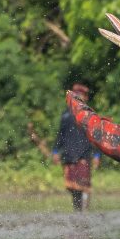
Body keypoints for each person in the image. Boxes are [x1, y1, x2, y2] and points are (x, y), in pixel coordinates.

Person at [50, 83, 97, 211]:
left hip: (83, 155)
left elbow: (95, 135)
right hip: (69, 155)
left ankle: (84, 211)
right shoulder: (66, 114)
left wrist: (97, 155)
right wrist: (55, 151)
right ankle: (78, 211)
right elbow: (60, 134)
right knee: (72, 187)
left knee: (84, 186)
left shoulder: (89, 114)